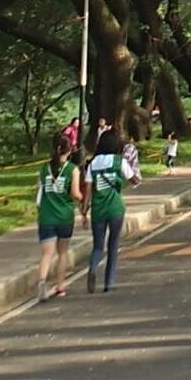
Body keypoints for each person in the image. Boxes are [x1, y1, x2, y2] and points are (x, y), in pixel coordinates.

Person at [34, 131, 81, 301]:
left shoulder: (44, 168)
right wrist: (83, 200)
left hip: (46, 217)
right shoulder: (72, 170)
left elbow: (38, 191)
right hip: (64, 216)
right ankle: (60, 285)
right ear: (70, 150)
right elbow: (75, 193)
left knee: (46, 254)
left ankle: (41, 282)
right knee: (62, 253)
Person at [84, 127, 126, 293]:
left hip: (98, 210)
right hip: (115, 208)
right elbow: (133, 177)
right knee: (113, 245)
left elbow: (87, 189)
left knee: (98, 246)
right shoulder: (118, 161)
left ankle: (93, 268)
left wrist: (84, 210)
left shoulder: (92, 163)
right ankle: (109, 283)